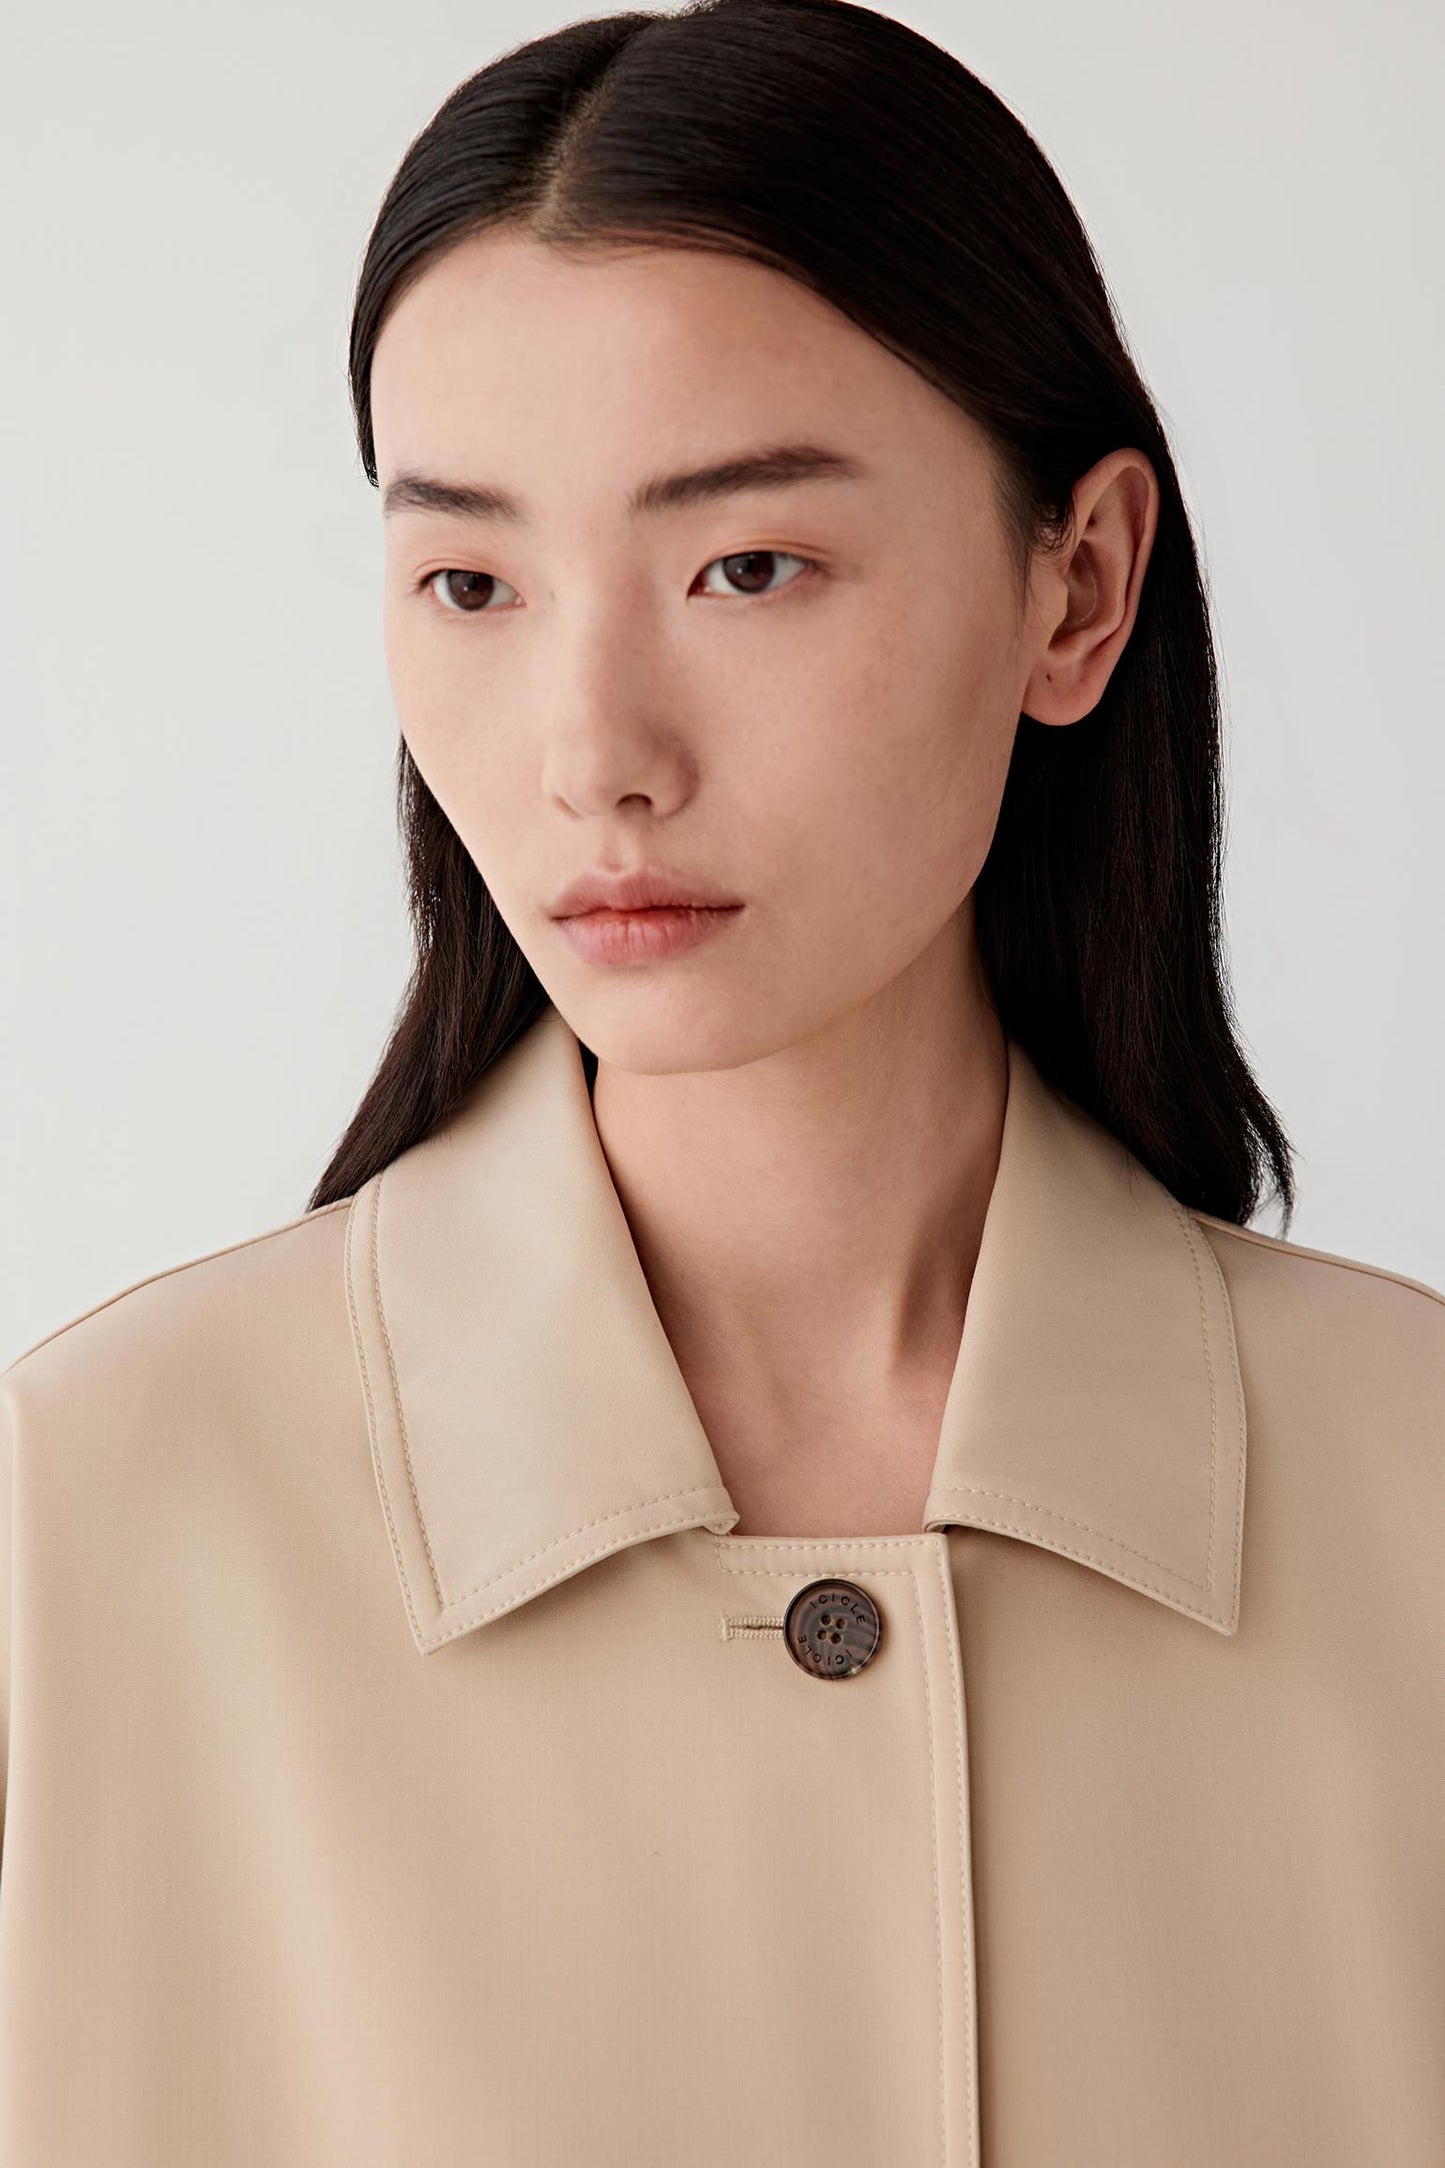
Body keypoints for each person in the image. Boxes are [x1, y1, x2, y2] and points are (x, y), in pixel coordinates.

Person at [2, 1, 1441, 2161]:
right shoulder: (83, 1532)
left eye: (747, 565)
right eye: (469, 579)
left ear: (1081, 583)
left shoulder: (1414, 1501)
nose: (593, 751)